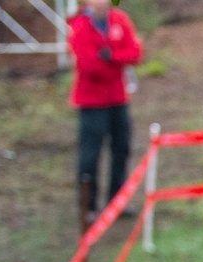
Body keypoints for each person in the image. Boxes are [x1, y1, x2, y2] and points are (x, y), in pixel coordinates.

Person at [67, 0, 143, 219]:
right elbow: (88, 65)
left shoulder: (120, 20)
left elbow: (135, 52)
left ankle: (117, 201)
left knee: (122, 148)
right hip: (91, 102)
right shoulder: (80, 26)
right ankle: (87, 206)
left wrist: (111, 56)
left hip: (118, 98)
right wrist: (115, 61)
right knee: (90, 155)